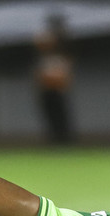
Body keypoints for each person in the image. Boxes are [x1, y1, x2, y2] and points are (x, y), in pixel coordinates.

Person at [34, 13, 75, 145]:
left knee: (60, 114)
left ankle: (64, 139)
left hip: (57, 89)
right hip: (47, 90)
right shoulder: (44, 57)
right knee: (50, 114)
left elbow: (65, 74)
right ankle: (55, 138)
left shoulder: (61, 48)